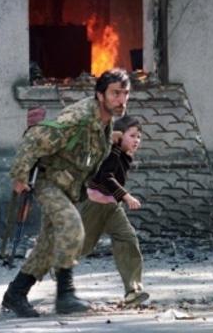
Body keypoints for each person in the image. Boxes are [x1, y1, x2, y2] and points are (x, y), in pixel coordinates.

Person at [1, 68, 131, 317]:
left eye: (125, 94)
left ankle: (15, 294)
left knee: (47, 246)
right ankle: (65, 294)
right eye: (115, 93)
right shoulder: (79, 117)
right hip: (49, 183)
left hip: (68, 188)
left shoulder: (104, 121)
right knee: (72, 226)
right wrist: (19, 176)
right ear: (100, 95)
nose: (121, 100)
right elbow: (35, 139)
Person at [78, 115, 149, 306]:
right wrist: (126, 196)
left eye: (139, 137)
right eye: (132, 135)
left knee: (127, 238)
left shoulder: (122, 154)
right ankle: (49, 259)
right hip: (95, 205)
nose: (137, 140)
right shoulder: (111, 152)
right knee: (82, 247)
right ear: (119, 136)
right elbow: (107, 177)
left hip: (112, 207)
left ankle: (133, 291)